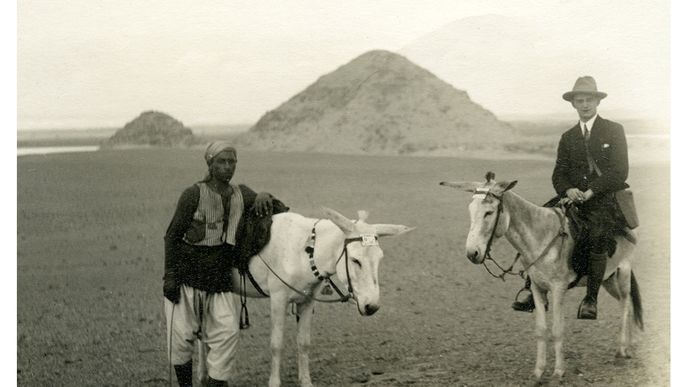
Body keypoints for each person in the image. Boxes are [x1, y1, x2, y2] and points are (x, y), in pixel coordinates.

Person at [511, 76, 629, 320]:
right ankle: (529, 289)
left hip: (603, 199)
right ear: (573, 104)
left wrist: (591, 191)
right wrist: (567, 191)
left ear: (597, 102)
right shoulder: (568, 137)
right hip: (572, 197)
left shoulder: (614, 130)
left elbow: (619, 171)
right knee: (536, 224)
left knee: (597, 235)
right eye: (580, 101)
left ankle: (591, 299)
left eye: (589, 100)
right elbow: (559, 173)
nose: (585, 105)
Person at [163, 141, 275, 387]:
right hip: (187, 280)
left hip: (220, 281)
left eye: (231, 162)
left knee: (227, 334)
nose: (227, 167)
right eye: (221, 162)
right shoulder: (193, 194)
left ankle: (215, 383)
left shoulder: (241, 193)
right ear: (210, 164)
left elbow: (274, 208)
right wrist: (169, 276)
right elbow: (171, 235)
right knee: (181, 338)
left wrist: (265, 195)